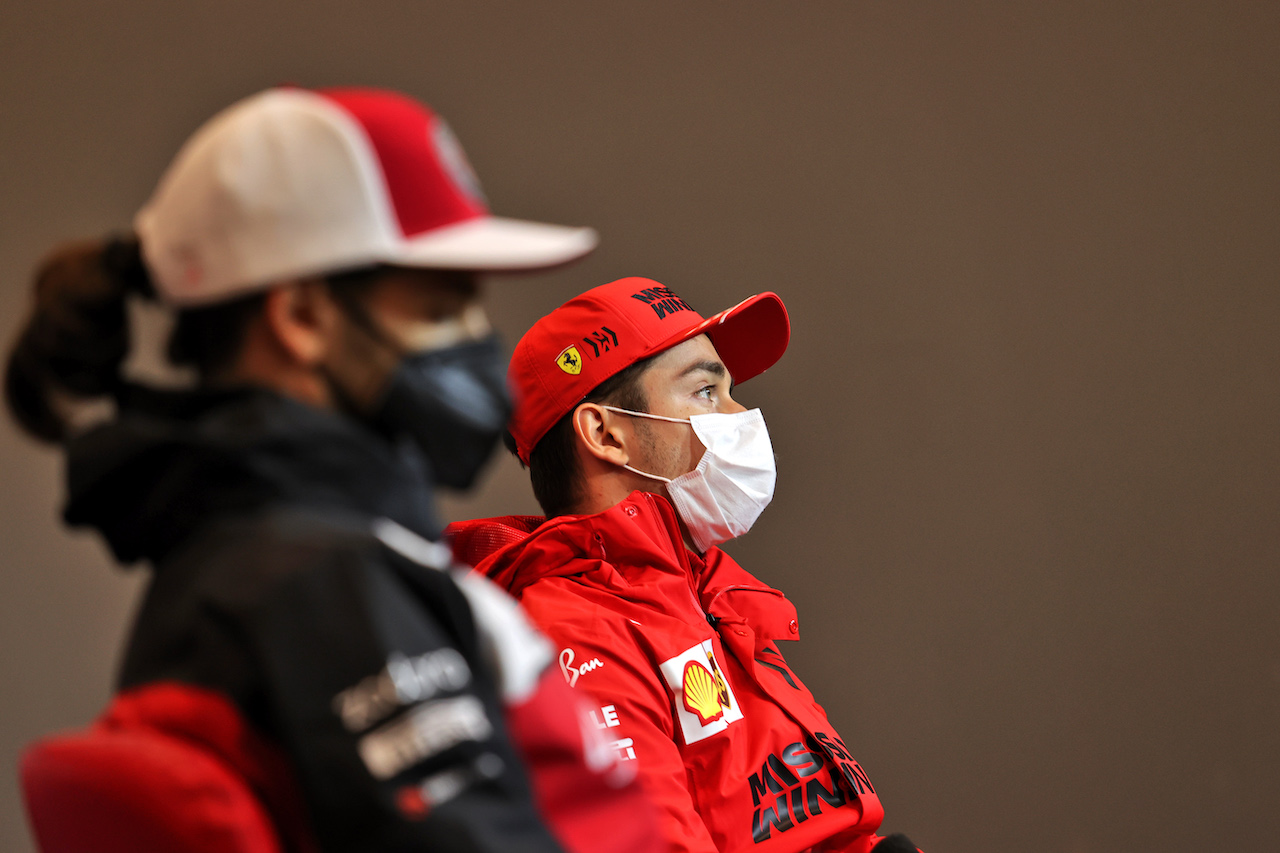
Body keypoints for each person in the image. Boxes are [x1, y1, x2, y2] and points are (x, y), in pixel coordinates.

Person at [6, 87, 660, 853]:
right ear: (303, 319)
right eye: (441, 310)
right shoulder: (320, 581)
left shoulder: (252, 557)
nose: (481, 343)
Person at [447, 277, 920, 853]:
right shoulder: (576, 632)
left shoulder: (708, 596)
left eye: (731, 392)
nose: (740, 415)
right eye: (705, 392)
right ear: (605, 434)